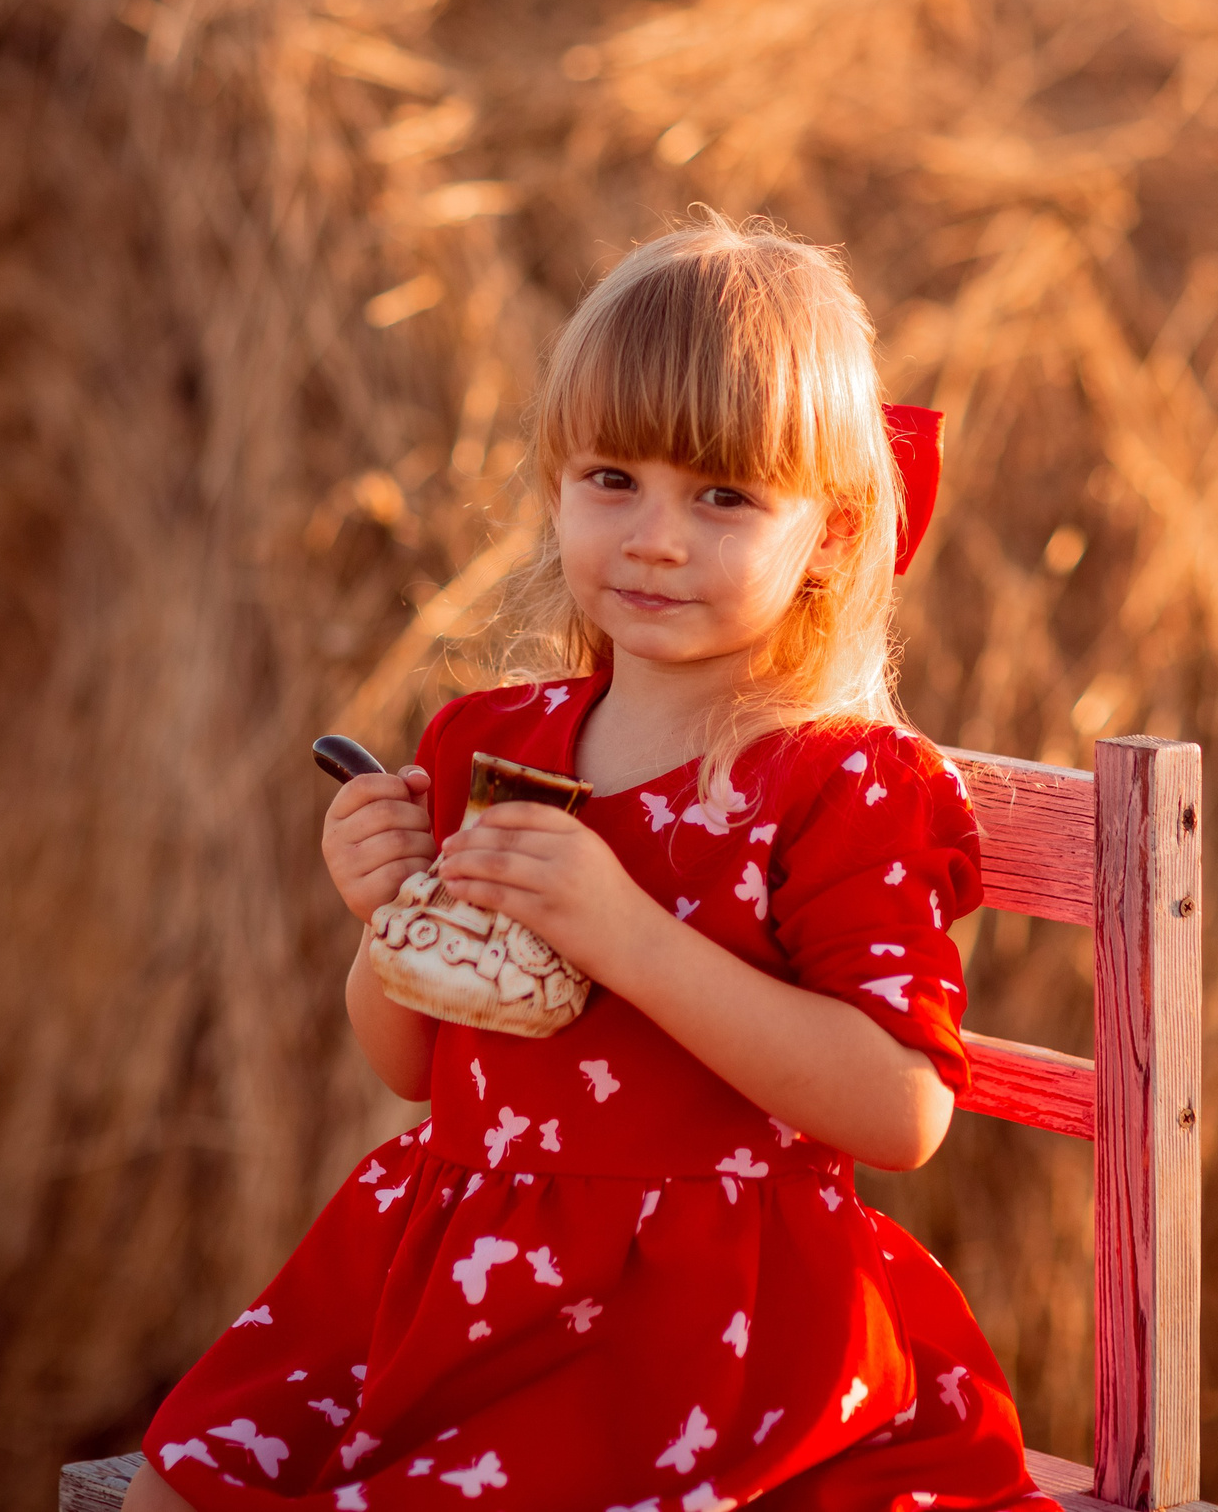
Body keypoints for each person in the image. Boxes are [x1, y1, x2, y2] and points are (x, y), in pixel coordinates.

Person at [128, 216, 1054, 1512]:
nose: (655, 537)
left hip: (699, 1324)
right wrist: (390, 917)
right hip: (457, 1278)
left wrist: (626, 936)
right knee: (179, 1486)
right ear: (556, 486)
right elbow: (416, 1064)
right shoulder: (487, 742)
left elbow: (902, 1110)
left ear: (835, 537)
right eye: (612, 478)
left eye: (723, 496)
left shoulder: (838, 785)